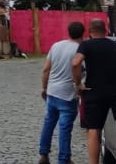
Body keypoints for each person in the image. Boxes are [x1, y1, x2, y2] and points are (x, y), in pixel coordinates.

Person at [72, 18, 116, 164]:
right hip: (114, 92)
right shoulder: (115, 46)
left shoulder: (86, 45)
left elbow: (75, 62)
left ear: (89, 31)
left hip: (94, 91)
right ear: (105, 30)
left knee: (94, 129)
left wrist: (78, 84)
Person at [39, 21, 85, 164]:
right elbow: (79, 70)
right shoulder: (80, 50)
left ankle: (43, 154)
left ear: (68, 32)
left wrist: (44, 88)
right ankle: (64, 159)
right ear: (83, 33)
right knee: (65, 129)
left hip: (52, 91)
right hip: (67, 94)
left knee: (48, 123)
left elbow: (46, 69)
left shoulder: (56, 45)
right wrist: (78, 86)